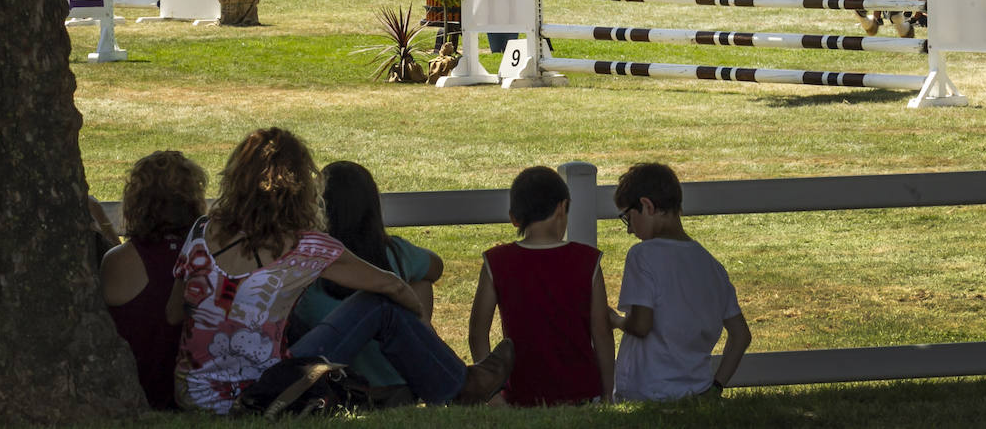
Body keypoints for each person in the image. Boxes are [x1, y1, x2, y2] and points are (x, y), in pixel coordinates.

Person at [169, 127, 512, 414]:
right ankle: (462, 386)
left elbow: (174, 313)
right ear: (301, 188)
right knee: (380, 307)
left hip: (191, 395)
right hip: (264, 394)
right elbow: (392, 287)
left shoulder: (202, 230)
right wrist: (420, 320)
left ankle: (448, 384)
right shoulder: (307, 246)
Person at [291, 161, 446, 407]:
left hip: (337, 381)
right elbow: (435, 267)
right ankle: (446, 378)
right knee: (420, 280)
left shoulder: (310, 260)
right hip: (396, 383)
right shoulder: (394, 252)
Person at [468, 166, 614, 406]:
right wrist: (608, 393)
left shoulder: (496, 261)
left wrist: (491, 392)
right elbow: (602, 333)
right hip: (581, 390)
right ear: (561, 207)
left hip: (521, 392)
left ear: (514, 217)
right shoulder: (588, 260)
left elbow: (477, 332)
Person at [609, 162, 751, 402]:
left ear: (646, 206)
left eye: (628, 218)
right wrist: (716, 387)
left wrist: (616, 320)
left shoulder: (642, 255)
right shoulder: (712, 266)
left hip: (646, 390)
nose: (629, 231)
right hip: (697, 390)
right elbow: (741, 336)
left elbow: (641, 325)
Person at [100, 151, 208, 410]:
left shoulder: (119, 260)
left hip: (142, 389)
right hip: (195, 391)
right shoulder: (209, 256)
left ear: (137, 201)